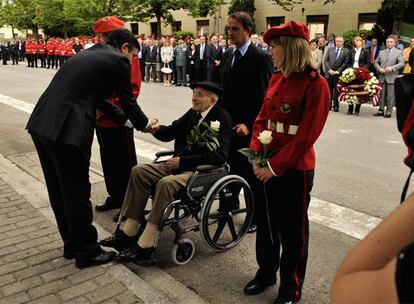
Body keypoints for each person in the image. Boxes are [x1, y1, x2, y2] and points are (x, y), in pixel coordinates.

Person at [26, 28, 159, 269]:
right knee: (77, 191)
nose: (133, 62)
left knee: (59, 189)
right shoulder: (118, 59)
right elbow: (128, 100)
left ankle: (72, 244)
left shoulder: (87, 55)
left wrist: (129, 122)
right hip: (67, 130)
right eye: (134, 56)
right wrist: (144, 124)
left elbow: (99, 100)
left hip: (42, 124)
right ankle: (87, 251)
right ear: (125, 48)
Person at [99, 81, 232, 266]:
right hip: (178, 164)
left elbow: (219, 156)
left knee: (165, 183)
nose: (194, 97)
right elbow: (171, 131)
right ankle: (129, 229)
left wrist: (183, 161)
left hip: (201, 171)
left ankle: (146, 244)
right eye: (194, 93)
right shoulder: (193, 113)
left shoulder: (222, 118)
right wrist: (153, 128)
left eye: (200, 94)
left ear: (212, 100)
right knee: (138, 171)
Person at [245, 20, 330, 304]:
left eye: (274, 47)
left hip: (294, 170)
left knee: (294, 233)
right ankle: (266, 272)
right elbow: (261, 121)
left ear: (290, 48)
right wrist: (257, 155)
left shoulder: (315, 84)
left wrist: (273, 167)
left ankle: (290, 289)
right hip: (265, 165)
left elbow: (306, 137)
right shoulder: (276, 78)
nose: (270, 51)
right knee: (267, 225)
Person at [220, 11, 273, 235]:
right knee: (228, 170)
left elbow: (265, 98)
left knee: (250, 176)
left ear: (248, 31)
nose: (230, 33)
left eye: (235, 29)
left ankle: (254, 217)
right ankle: (229, 209)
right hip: (228, 126)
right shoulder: (227, 56)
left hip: (248, 129)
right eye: (229, 28)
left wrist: (250, 124)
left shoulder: (260, 58)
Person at [92, 16, 143, 224]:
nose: (102, 39)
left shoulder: (129, 56)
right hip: (100, 120)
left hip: (118, 119)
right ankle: (115, 196)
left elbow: (131, 91)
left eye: (105, 35)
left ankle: (130, 204)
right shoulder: (100, 54)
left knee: (126, 163)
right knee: (108, 160)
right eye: (101, 35)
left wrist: (104, 109)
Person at [373, 36, 404, 118]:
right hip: (382, 76)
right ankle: (381, 110)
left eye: (391, 42)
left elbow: (402, 63)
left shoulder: (398, 52)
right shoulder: (381, 52)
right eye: (388, 42)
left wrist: (392, 68)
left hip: (392, 76)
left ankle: (388, 112)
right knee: (381, 95)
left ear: (394, 43)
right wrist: (379, 69)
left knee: (391, 95)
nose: (389, 43)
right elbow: (375, 62)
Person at [324, 36, 349, 111]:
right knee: (329, 90)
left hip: (338, 74)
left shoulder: (346, 51)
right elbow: (326, 60)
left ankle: (336, 106)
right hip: (329, 73)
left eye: (340, 41)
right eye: (337, 41)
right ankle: (328, 106)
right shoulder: (330, 49)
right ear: (335, 41)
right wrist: (329, 70)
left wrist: (338, 71)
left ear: (343, 42)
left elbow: (345, 63)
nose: (338, 42)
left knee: (337, 91)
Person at [346, 36, 370, 116]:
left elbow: (368, 63)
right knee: (351, 91)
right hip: (352, 72)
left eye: (358, 41)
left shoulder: (365, 51)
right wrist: (349, 70)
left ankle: (357, 110)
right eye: (355, 41)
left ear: (361, 42)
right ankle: (350, 109)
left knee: (359, 92)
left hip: (361, 73)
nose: (356, 42)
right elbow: (349, 62)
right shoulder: (351, 51)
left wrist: (362, 70)